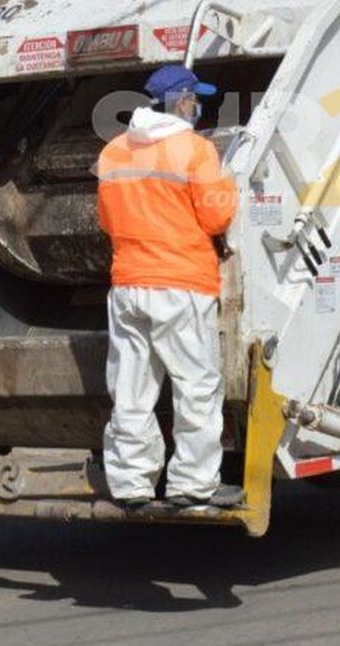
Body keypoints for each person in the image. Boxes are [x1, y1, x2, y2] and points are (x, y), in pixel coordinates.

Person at [96, 65, 240, 509]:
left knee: (132, 390)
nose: (199, 106)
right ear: (180, 101)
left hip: (128, 285)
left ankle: (131, 484)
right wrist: (230, 187)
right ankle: (193, 485)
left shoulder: (114, 151)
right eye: (196, 99)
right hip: (181, 284)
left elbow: (106, 220)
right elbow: (218, 217)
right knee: (195, 387)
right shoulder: (195, 150)